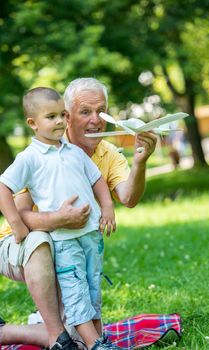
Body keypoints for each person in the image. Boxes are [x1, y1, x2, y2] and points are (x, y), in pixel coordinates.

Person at [0, 78, 157, 348]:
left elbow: (127, 197)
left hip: (70, 244)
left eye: (102, 111)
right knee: (41, 242)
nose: (96, 120)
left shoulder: (100, 154)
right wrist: (58, 220)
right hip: (23, 245)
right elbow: (22, 214)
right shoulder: (35, 157)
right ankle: (26, 332)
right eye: (85, 112)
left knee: (83, 327)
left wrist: (140, 162)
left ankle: (57, 325)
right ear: (68, 116)